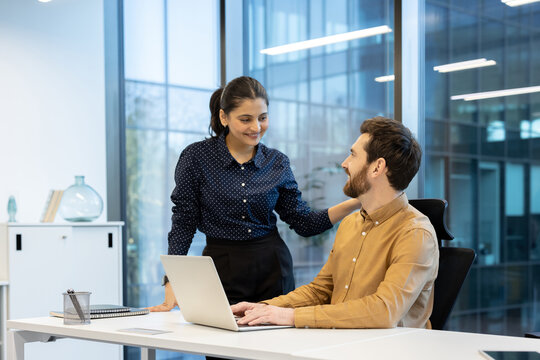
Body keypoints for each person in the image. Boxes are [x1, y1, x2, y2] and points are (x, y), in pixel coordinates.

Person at [149, 76, 362, 312]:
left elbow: (303, 222)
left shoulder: (277, 162)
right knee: (220, 345)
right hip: (220, 272)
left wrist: (357, 202)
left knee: (272, 347)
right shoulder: (196, 158)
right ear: (224, 117)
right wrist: (172, 280)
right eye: (245, 119)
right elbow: (183, 221)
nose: (256, 127)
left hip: (272, 269)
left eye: (262, 118)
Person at [232, 116, 439, 329]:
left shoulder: (415, 233)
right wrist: (262, 308)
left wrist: (291, 317)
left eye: (353, 155)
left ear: (377, 168)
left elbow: (384, 311)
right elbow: (320, 290)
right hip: (341, 343)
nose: (344, 164)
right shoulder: (351, 223)